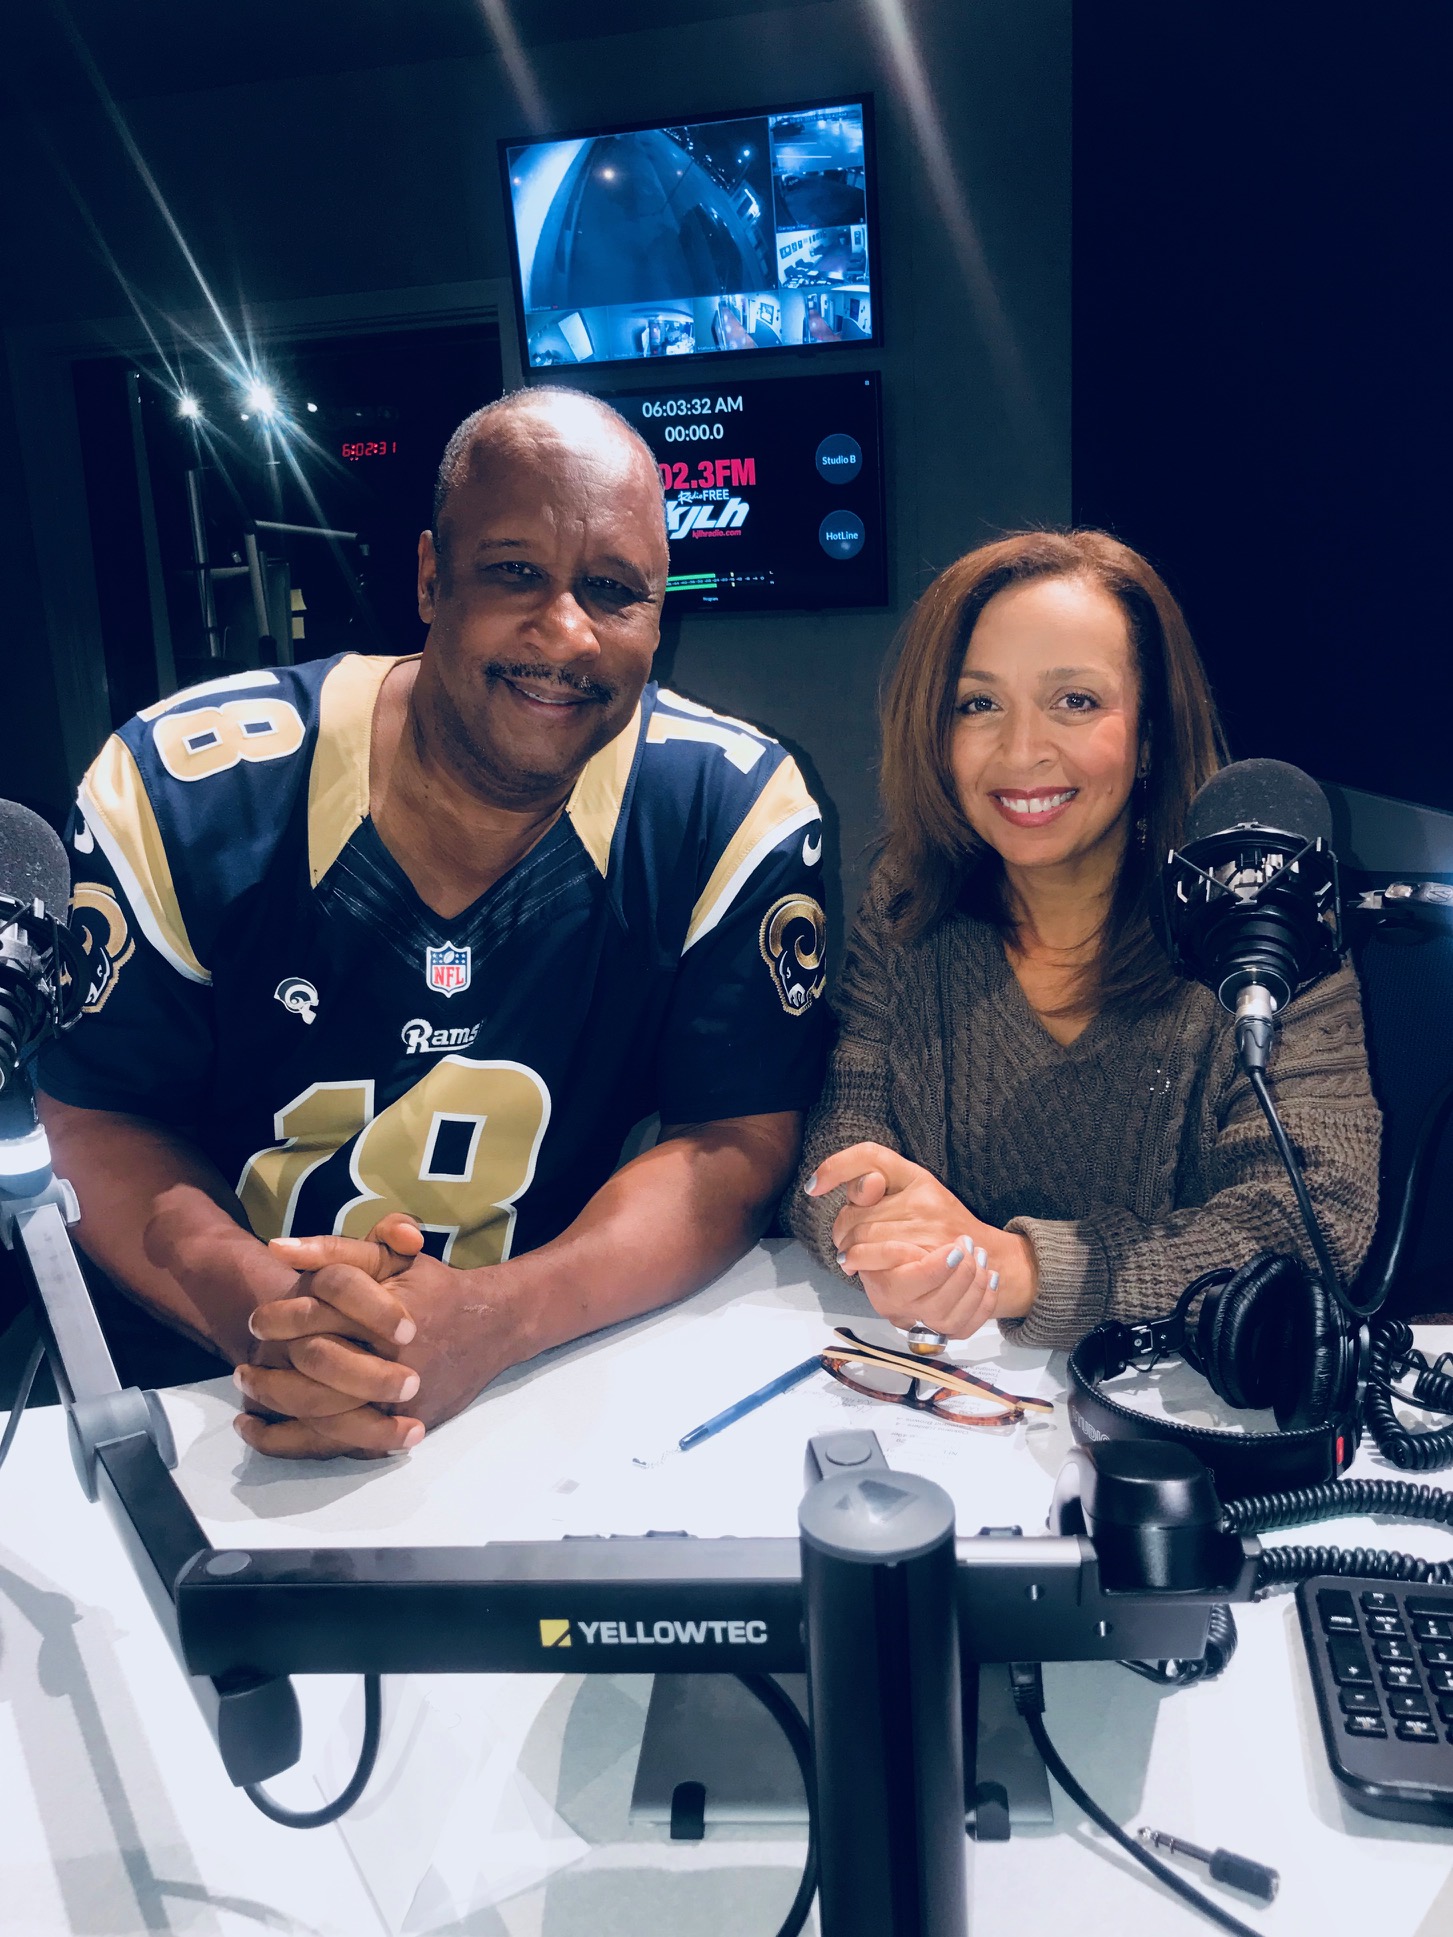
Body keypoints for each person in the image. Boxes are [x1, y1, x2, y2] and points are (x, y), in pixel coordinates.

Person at [35, 386, 829, 1456]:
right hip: (206, 1394)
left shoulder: (729, 808)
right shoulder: (180, 789)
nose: (566, 632)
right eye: (514, 572)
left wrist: (502, 1316)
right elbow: (92, 1117)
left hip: (546, 1379)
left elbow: (732, 1136)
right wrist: (268, 1317)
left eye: (613, 590)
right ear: (428, 576)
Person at [785, 530, 1380, 1346]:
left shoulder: (1265, 918)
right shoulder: (907, 903)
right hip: (956, 1388)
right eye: (977, 704)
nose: (1022, 750)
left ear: (1148, 734)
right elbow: (838, 1139)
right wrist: (870, 1229)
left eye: (1074, 700)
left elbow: (1317, 1221)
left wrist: (1025, 1269)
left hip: (1178, 1400)